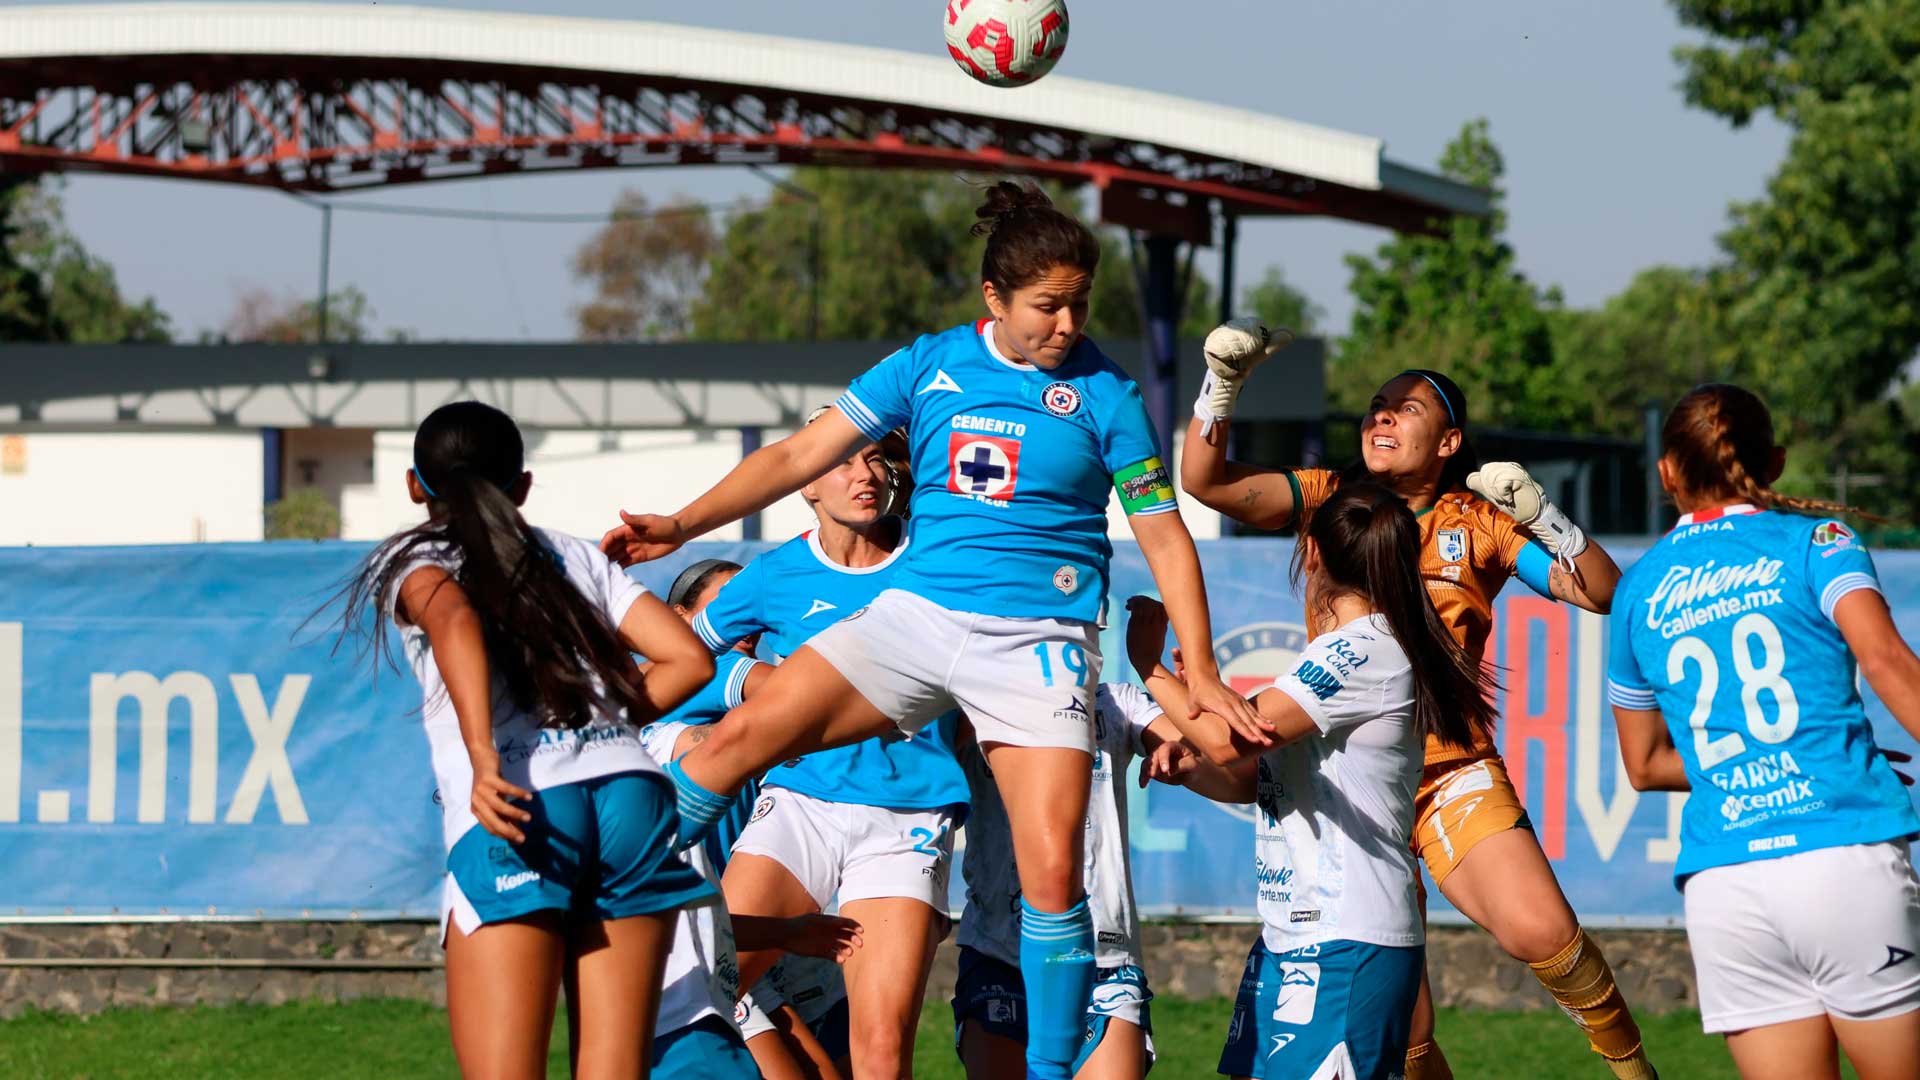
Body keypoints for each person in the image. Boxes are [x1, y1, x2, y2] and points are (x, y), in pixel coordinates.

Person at [603, 180, 1257, 1080]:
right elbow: (798, 455)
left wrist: (1204, 667)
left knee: (1052, 875)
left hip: (1038, 643)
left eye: (1080, 304)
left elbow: (1164, 535)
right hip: (917, 618)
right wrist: (681, 525)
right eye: (1048, 306)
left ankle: (1049, 1071)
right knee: (736, 740)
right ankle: (611, 891)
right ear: (995, 298)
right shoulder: (931, 364)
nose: (1068, 325)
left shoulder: (1107, 394)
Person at [1180, 322, 1654, 1080]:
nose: (1383, 414)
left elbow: (1603, 595)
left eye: (1407, 407)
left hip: (1447, 769)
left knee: (1543, 933)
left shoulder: (1481, 520)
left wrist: (1547, 519)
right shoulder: (1328, 498)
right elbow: (1204, 483)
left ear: (1448, 442)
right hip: (1352, 778)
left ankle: (1636, 1072)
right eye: (1377, 404)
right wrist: (1222, 386)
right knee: (1405, 1026)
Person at [336, 400, 716, 1078]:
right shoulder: (572, 553)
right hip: (630, 791)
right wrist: (604, 732)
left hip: (524, 795)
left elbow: (455, 622)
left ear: (415, 486)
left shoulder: (419, 557)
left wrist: (484, 758)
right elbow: (689, 660)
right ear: (523, 487)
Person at [1606, 383, 1920, 1080]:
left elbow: (1645, 765)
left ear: (1666, 473)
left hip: (1725, 886)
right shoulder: (1820, 542)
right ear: (1774, 463)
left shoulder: (1636, 589)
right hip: (1839, 855)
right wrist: (1822, 749)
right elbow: (1887, 662)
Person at [1141, 482, 1500, 1080]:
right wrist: (1193, 768)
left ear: (1311, 554)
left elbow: (1230, 739)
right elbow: (1253, 778)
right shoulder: (1340, 652)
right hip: (1291, 935)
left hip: (1345, 939)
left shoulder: (1365, 652)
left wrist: (1150, 668)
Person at [686, 411, 969, 1078]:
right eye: (842, 461)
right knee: (702, 985)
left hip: (906, 817)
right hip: (800, 802)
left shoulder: (938, 558)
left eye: (875, 459)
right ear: (805, 483)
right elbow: (683, 660)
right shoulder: (775, 573)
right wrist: (752, 680)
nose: (864, 474)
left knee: (880, 1051)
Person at [951, 597, 1194, 1079]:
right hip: (1001, 957)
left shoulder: (1117, 703)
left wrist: (1180, 736)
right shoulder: (974, 710)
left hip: (1105, 960)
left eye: (1077, 628)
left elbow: (1199, 757)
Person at [639, 557, 860, 1080]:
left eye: (753, 607)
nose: (747, 619)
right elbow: (796, 697)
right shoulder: (710, 673)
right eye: (729, 605)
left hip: (772, 929)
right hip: (714, 946)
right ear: (680, 618)